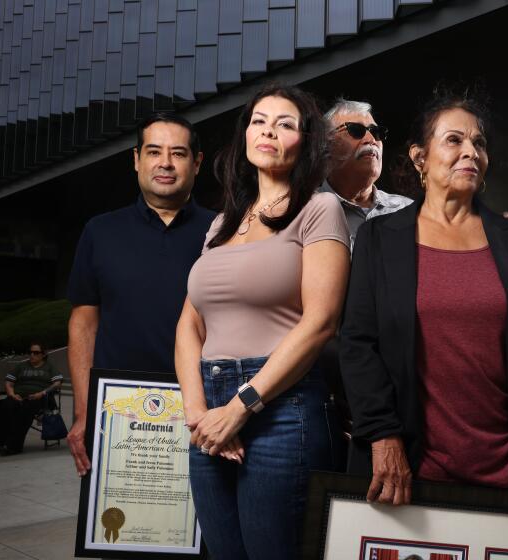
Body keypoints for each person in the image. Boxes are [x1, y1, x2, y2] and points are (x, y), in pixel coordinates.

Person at [340, 90, 508, 520]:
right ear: (419, 157)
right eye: (454, 140)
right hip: (404, 470)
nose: (471, 152)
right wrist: (383, 438)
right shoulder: (379, 239)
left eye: (479, 143)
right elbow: (357, 344)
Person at [175, 84, 350, 558]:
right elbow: (189, 325)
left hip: (280, 409)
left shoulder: (319, 209)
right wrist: (200, 414)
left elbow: (320, 323)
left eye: (285, 123)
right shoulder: (222, 224)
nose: (268, 130)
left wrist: (240, 407)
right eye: (258, 120)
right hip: (208, 412)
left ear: (306, 141)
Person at [66, 113, 215, 476]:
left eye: (178, 153)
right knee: (117, 530)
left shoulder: (223, 231)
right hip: (117, 414)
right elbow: (84, 322)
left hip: (203, 414)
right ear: (136, 159)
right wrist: (85, 409)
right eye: (154, 152)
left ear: (196, 162)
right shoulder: (100, 231)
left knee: (202, 530)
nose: (165, 163)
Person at [319, 98, 413, 246]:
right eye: (356, 130)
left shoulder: (408, 211)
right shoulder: (303, 213)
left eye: (376, 132)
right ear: (325, 146)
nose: (371, 140)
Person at [0, 342, 63, 455]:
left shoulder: (49, 367)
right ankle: (0, 444)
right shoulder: (21, 366)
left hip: (38, 399)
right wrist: (12, 394)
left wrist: (42, 393)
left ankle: (13, 446)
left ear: (43, 354)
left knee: (25, 410)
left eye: (36, 353)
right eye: (30, 352)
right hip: (17, 397)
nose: (32, 355)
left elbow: (57, 383)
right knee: (6, 406)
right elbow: (9, 382)